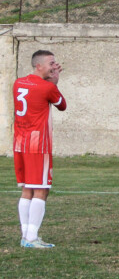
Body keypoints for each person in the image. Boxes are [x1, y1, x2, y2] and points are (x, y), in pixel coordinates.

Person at [14, 50, 66, 249]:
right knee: (42, 190)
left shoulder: (19, 82)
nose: (54, 66)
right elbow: (62, 105)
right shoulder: (46, 87)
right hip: (38, 144)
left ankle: (25, 235)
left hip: (20, 141)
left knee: (27, 188)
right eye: (51, 63)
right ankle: (31, 238)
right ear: (39, 66)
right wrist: (55, 81)